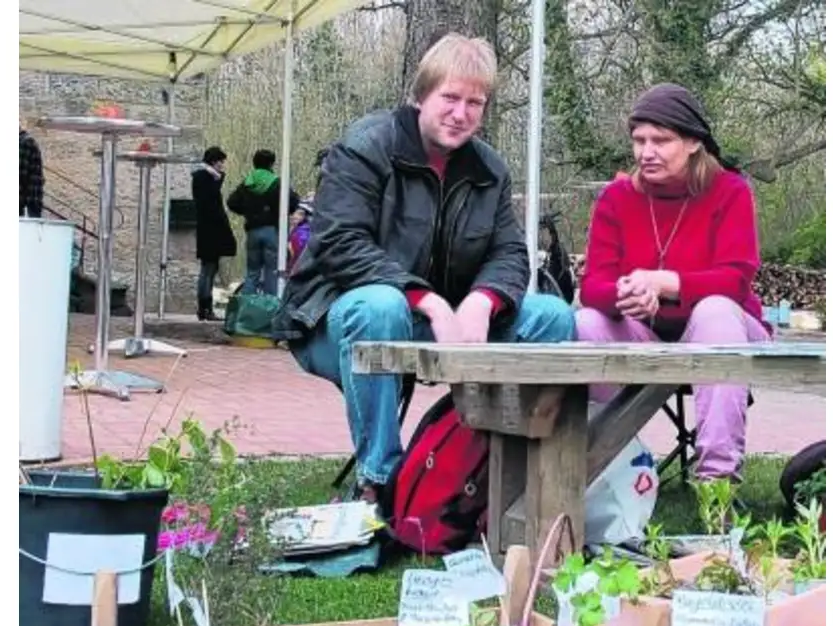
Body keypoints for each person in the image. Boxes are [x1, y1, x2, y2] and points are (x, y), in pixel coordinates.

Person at [276, 33, 575, 505]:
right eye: (450, 98)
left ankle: (502, 469)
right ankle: (381, 482)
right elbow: (339, 243)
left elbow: (511, 253)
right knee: (381, 304)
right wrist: (429, 301)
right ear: (421, 95)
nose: (461, 114)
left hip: (446, 323)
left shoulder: (490, 170)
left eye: (474, 103)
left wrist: (484, 300)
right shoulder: (364, 147)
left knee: (553, 316)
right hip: (336, 322)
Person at [575, 83, 772, 483]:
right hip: (645, 335)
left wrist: (663, 282)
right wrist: (626, 294)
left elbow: (735, 280)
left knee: (714, 310)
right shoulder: (616, 197)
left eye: (660, 141)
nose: (646, 152)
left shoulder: (730, 191)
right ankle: (604, 474)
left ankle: (717, 484)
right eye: (638, 140)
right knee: (587, 323)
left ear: (694, 142)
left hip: (728, 333)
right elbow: (593, 284)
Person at [226, 149, 299, 296]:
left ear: (254, 163)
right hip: (272, 231)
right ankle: (269, 309)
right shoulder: (276, 183)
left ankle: (247, 308)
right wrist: (281, 212)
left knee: (252, 272)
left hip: (253, 231)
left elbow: (231, 202)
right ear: (271, 163)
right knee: (272, 271)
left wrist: (248, 213)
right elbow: (294, 201)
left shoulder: (247, 183)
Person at [191, 146, 237, 321]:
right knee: (208, 269)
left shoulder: (205, 177)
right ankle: (205, 307)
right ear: (213, 161)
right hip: (210, 229)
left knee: (209, 268)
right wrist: (216, 176)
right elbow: (210, 202)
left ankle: (204, 307)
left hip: (207, 229)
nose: (222, 166)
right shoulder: (205, 178)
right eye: (220, 162)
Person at [19, 125, 44, 218]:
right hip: (31, 200)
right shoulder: (26, 141)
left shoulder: (24, 142)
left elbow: (21, 175)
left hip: (27, 201)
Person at [287, 200, 313, 272]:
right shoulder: (293, 229)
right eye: (293, 213)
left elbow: (298, 254)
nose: (295, 216)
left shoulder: (303, 233)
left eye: (300, 214)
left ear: (305, 217)